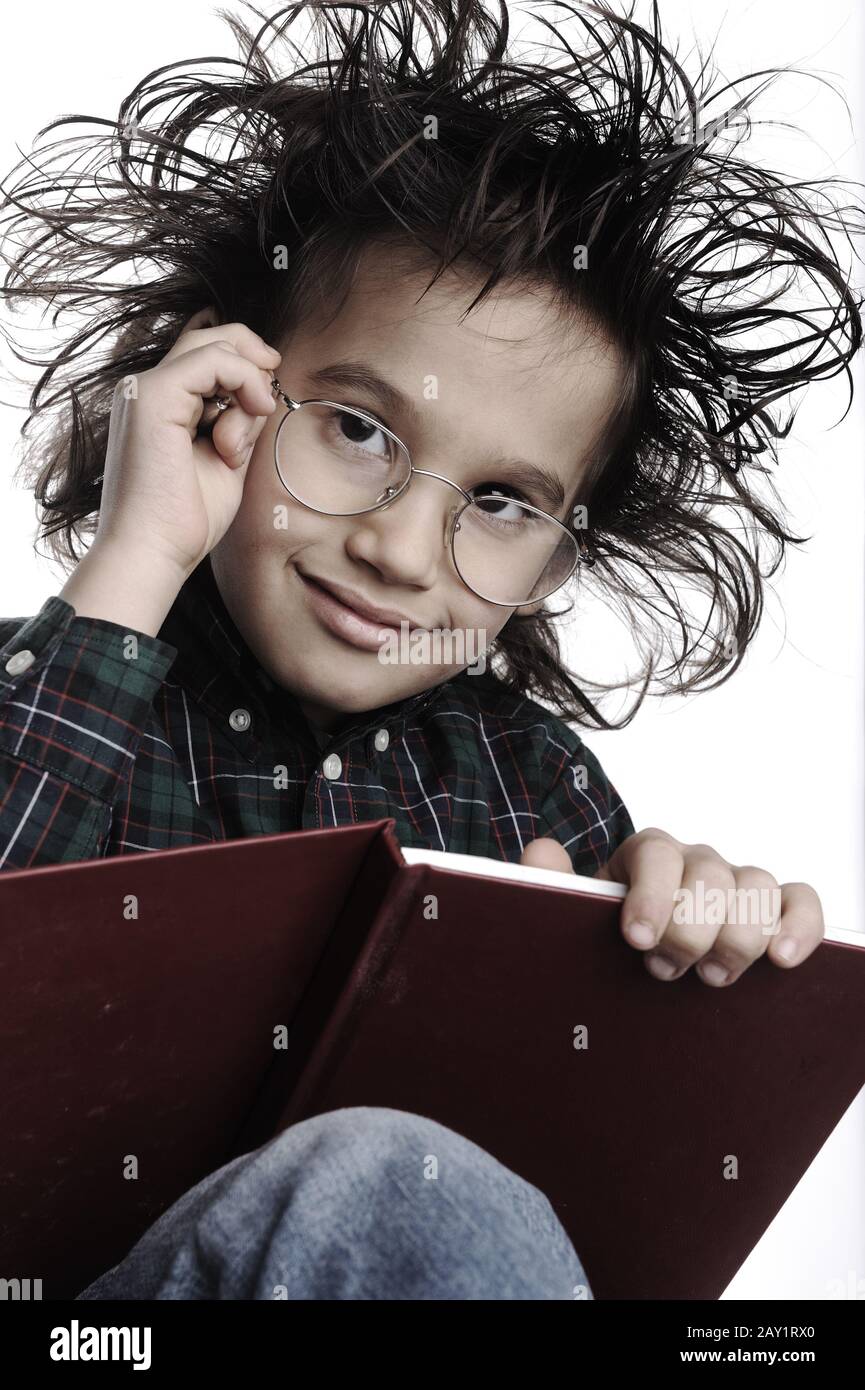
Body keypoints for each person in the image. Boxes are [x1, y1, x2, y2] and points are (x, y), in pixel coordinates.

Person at [0, 0, 858, 1299]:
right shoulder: (51, 691)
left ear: (557, 560)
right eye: (353, 427)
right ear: (224, 391)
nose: (403, 550)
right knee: (379, 1172)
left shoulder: (542, 795)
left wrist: (691, 950)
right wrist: (132, 565)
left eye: (502, 502)